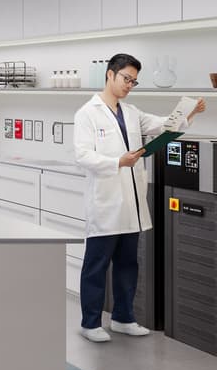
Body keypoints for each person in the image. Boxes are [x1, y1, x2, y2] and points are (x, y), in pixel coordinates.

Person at [74, 53, 205, 343]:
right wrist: (117, 161)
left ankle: (123, 318)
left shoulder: (132, 112)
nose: (129, 85)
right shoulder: (87, 113)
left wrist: (190, 113)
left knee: (127, 264)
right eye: (126, 78)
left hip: (131, 203)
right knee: (96, 266)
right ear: (110, 75)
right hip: (106, 204)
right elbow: (82, 156)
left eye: (134, 81)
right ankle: (90, 323)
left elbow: (163, 126)